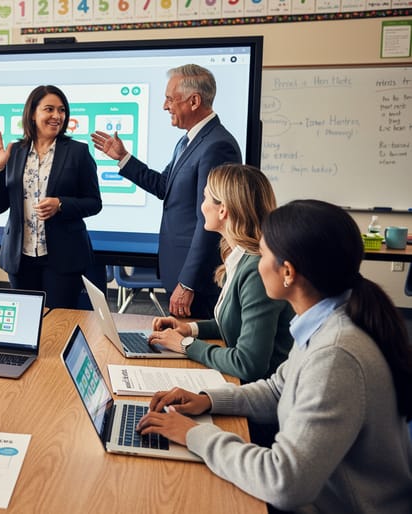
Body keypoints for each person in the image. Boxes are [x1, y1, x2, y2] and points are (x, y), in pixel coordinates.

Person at [136, 200, 412, 513]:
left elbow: (285, 482)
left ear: (288, 272)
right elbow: (278, 389)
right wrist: (208, 400)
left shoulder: (336, 353)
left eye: (264, 254)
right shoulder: (326, 318)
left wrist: (195, 434)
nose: (258, 262)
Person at [91, 64, 241, 319]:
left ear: (194, 101)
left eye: (170, 99)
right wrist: (123, 158)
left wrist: (188, 283)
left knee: (192, 347)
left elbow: (210, 223)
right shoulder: (189, 140)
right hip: (178, 270)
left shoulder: (217, 146)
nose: (164, 106)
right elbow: (164, 186)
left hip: (197, 282)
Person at [147, 164, 293, 383]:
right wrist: (188, 329)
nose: (202, 206)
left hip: (260, 399)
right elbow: (235, 323)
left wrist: (185, 345)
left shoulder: (256, 271)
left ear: (223, 209)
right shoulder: (241, 258)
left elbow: (248, 364)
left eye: (205, 198)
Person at [0, 85, 102, 308]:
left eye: (61, 110)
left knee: (59, 323)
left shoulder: (78, 152)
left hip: (63, 256)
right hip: (21, 257)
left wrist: (61, 204)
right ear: (32, 113)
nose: (57, 116)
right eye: (49, 109)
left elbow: (94, 203)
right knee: (25, 322)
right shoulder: (15, 151)